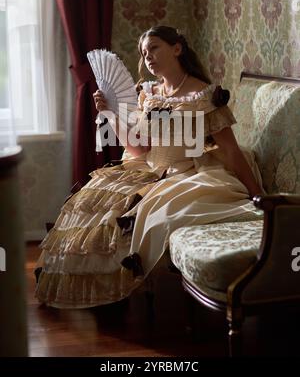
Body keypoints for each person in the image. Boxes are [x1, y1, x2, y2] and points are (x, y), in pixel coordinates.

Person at [35, 26, 263, 308]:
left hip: (187, 171)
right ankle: (101, 291)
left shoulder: (205, 95)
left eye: (154, 48)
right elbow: (138, 148)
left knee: (149, 212)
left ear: (177, 48)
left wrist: (257, 193)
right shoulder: (149, 94)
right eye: (144, 53)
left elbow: (228, 148)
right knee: (94, 199)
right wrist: (108, 113)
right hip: (147, 167)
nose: (148, 57)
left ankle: (121, 285)